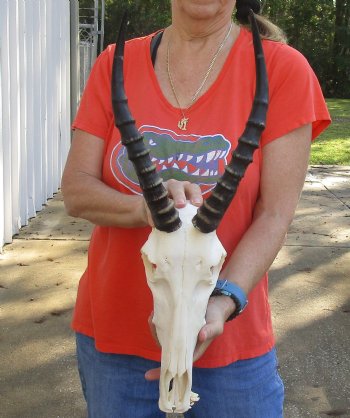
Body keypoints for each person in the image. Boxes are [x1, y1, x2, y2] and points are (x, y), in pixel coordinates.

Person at [61, 0, 331, 417]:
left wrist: (220, 305)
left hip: (228, 345)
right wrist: (144, 209)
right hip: (116, 345)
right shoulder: (114, 63)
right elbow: (77, 190)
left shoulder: (281, 70)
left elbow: (275, 214)